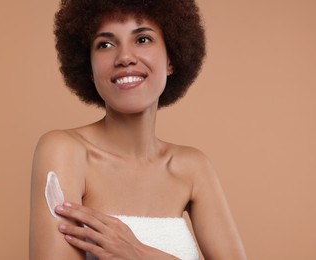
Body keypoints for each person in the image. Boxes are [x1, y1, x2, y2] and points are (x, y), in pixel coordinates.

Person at [29, 0, 247, 259]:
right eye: (105, 44)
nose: (124, 58)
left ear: (171, 59)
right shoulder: (65, 151)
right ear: (88, 67)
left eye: (143, 39)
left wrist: (140, 254)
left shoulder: (192, 168)